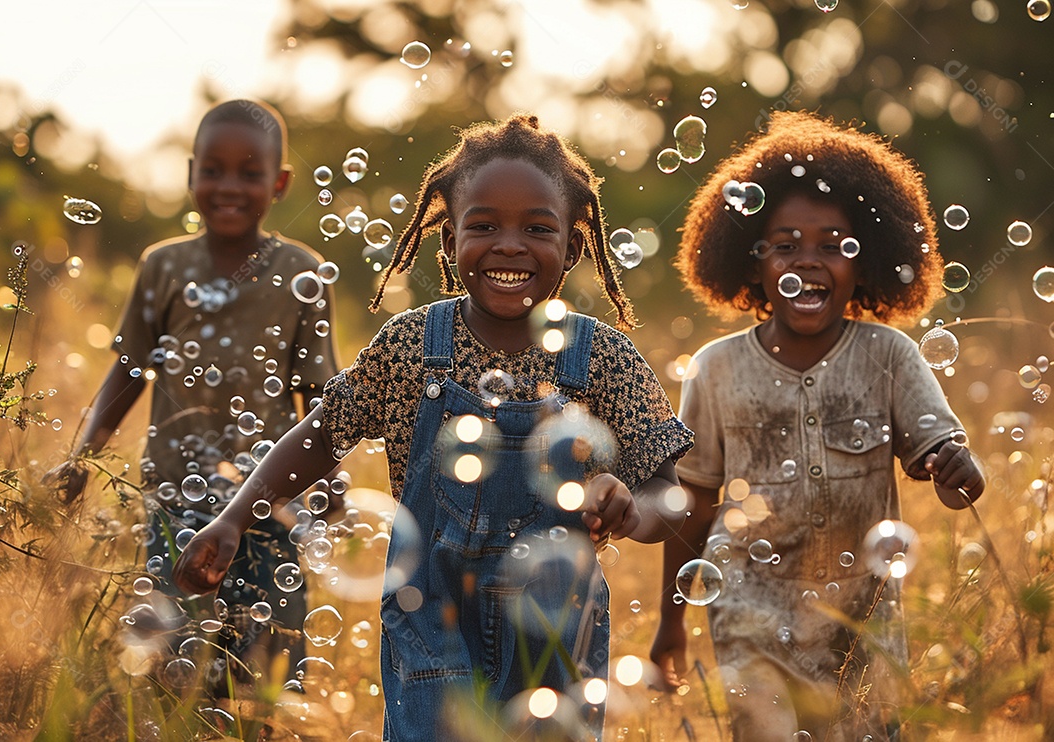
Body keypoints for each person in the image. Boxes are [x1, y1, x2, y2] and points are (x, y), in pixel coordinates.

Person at [173, 113, 695, 741]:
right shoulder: (410, 346)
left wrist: (632, 510)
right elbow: (322, 432)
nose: (509, 245)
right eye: (482, 226)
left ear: (574, 247)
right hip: (430, 624)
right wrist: (235, 516)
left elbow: (674, 493)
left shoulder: (604, 360)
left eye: (537, 227)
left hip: (554, 631)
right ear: (447, 241)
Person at [649, 110, 985, 741]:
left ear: (868, 261)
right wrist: (671, 620)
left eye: (834, 246)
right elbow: (691, 500)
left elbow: (948, 468)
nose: (809, 262)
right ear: (751, 263)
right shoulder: (715, 370)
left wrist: (960, 470)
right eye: (785, 245)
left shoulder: (889, 357)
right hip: (750, 614)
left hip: (864, 623)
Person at [45, 99, 338, 691]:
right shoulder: (164, 267)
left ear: (279, 184)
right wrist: (83, 458)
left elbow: (320, 399)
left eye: (250, 173)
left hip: (269, 501)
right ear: (190, 174)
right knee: (180, 660)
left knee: (267, 668)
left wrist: (329, 481)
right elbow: (129, 372)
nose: (229, 186)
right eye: (213, 169)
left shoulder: (301, 272)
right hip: (176, 497)